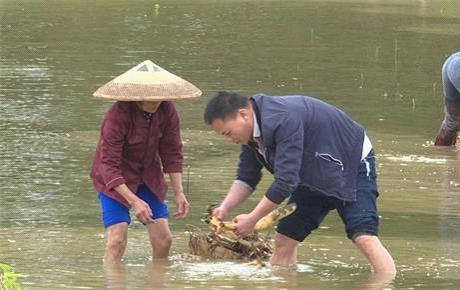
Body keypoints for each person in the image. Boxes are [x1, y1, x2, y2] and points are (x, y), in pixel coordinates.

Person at [203, 91, 396, 274]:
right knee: (285, 240)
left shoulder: (282, 119)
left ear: (243, 114)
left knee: (363, 236)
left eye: (228, 133)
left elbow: (285, 182)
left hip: (350, 162)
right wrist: (225, 207)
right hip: (313, 171)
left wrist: (252, 219)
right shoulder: (251, 136)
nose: (229, 139)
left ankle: (387, 282)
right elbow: (246, 178)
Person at [90, 60, 201, 263]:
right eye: (150, 101)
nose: (155, 104)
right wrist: (134, 201)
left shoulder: (167, 111)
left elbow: (172, 152)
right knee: (117, 238)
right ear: (137, 97)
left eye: (159, 100)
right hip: (115, 180)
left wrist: (179, 192)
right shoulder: (117, 116)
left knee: (164, 239)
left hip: (149, 176)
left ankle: (156, 280)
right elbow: (108, 165)